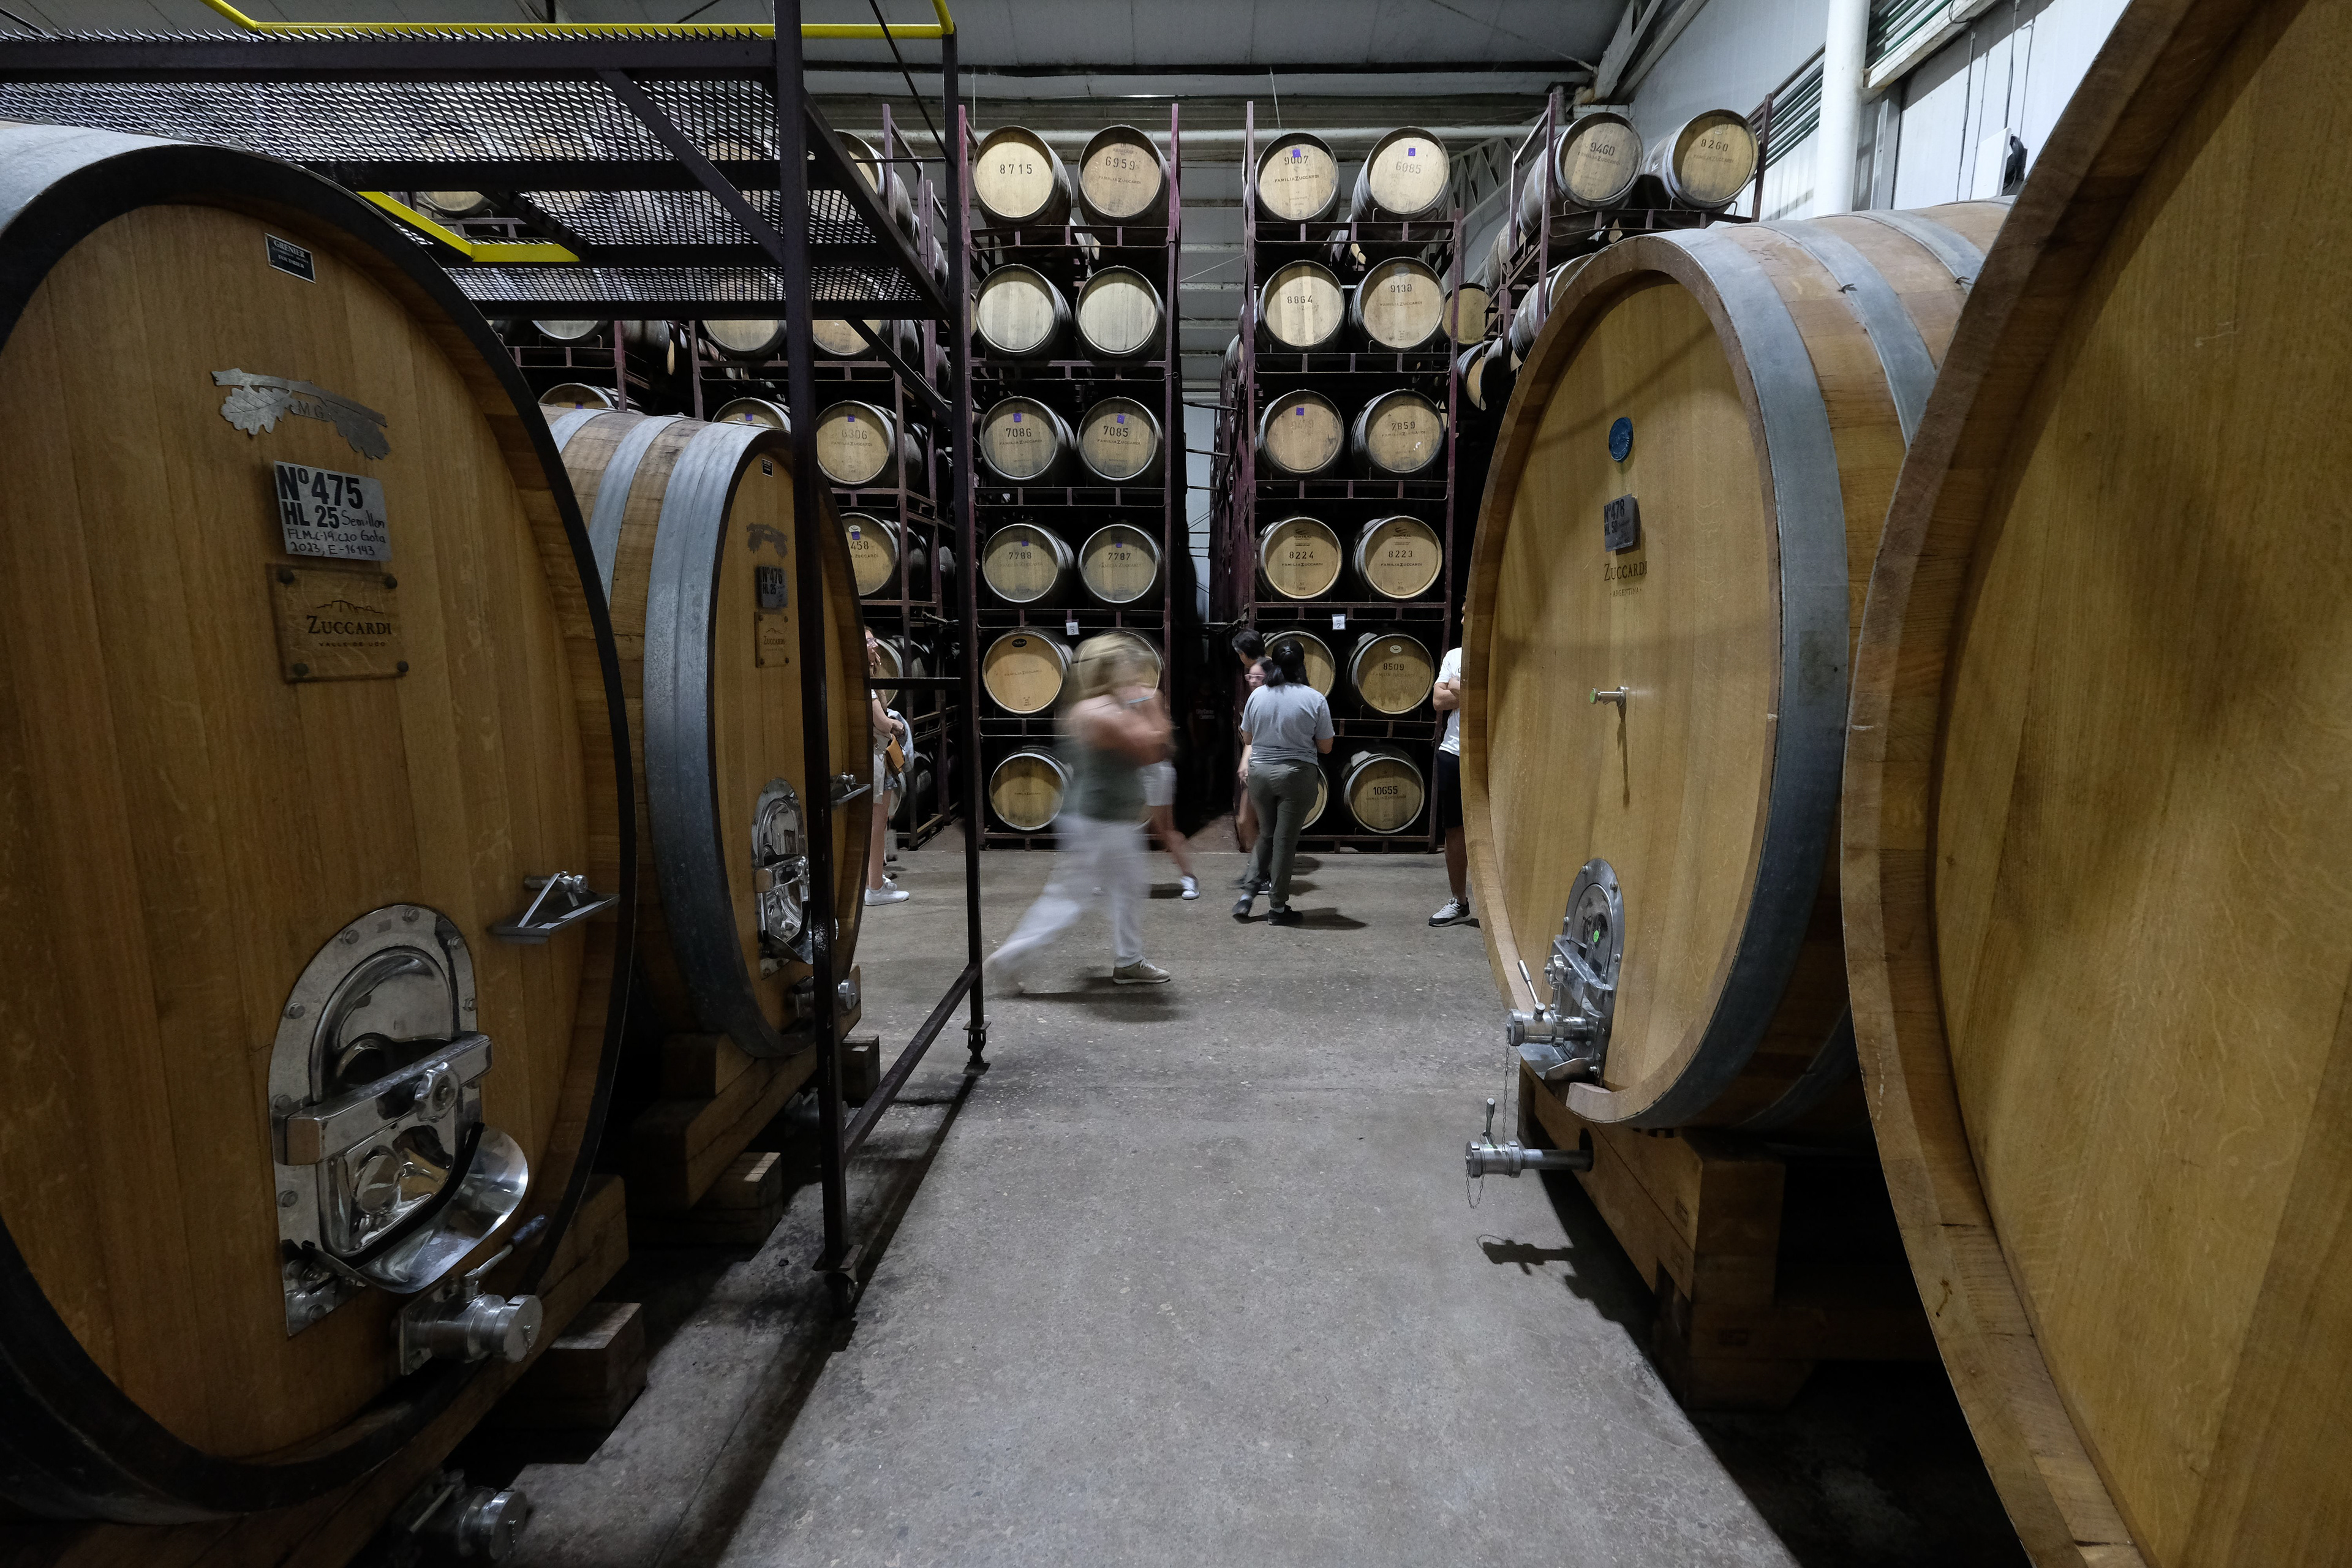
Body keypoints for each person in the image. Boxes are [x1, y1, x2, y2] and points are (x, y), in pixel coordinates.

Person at [985, 638, 1173, 987]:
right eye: (1129, 666)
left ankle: (1129, 960)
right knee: (1073, 896)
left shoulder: (1084, 707)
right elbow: (1154, 749)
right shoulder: (1109, 714)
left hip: (1091, 816)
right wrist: (1153, 705)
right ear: (1113, 670)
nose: (1136, 673)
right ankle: (1012, 956)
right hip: (1104, 820)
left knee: (1123, 888)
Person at [1232, 639, 1332, 927]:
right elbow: (1326, 747)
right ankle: (1277, 908)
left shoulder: (1258, 696)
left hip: (1260, 774)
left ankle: (1247, 896)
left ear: (1273, 664)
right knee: (1285, 843)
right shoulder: (1315, 699)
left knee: (1266, 835)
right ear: (1302, 665)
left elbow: (1248, 738)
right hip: (1296, 775)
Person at [1137, 683, 1200, 899]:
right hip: (1127, 771)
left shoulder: (1148, 695)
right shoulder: (1111, 696)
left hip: (1154, 770)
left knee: (1165, 830)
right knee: (1116, 826)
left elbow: (1163, 732)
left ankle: (1189, 877)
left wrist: (1130, 735)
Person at [1430, 617, 1473, 925]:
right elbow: (1438, 701)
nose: (1461, 619)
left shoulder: (1501, 655)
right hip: (1452, 752)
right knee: (1454, 831)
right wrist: (1470, 690)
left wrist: (1456, 687)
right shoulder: (1454, 656)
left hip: (1490, 757)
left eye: (1467, 612)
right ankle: (1459, 901)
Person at [864, 629, 910, 907]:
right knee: (877, 827)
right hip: (878, 758)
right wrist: (898, 725)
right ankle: (876, 889)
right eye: (869, 641)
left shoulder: (868, 679)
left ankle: (876, 879)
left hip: (878, 757)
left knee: (876, 826)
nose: (875, 644)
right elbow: (882, 723)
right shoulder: (866, 688)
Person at [1231, 627, 1265, 857]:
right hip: (1276, 761)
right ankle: (1260, 869)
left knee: (1246, 820)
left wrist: (1245, 761)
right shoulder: (1274, 669)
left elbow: (1251, 735)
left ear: (1243, 654)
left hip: (1263, 761)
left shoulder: (1258, 678)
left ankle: (1259, 870)